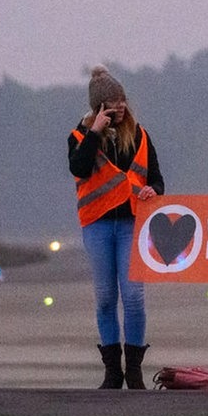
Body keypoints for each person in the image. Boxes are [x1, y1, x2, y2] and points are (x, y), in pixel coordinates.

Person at [68, 66, 164, 389]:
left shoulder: (139, 135)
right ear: (99, 107)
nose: (120, 106)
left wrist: (154, 191)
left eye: (122, 99)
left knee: (134, 296)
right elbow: (78, 167)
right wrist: (95, 132)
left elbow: (156, 178)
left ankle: (134, 369)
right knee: (106, 298)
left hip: (130, 224)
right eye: (112, 102)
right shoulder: (80, 137)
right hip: (96, 225)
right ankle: (112, 371)